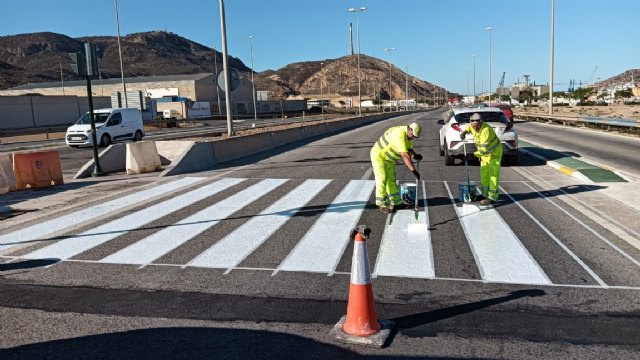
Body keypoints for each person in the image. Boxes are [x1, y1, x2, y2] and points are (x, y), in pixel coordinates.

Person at [370, 122, 423, 214]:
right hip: (379, 156)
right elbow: (405, 155)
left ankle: (396, 202)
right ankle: (381, 204)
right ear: (409, 129)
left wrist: (415, 155)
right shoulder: (399, 134)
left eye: (414, 137)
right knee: (382, 178)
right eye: (412, 136)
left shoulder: (408, 136)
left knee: (391, 180)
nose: (412, 138)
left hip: (389, 159)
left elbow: (408, 149)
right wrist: (413, 171)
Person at [460, 112, 502, 207]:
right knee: (484, 173)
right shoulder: (472, 126)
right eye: (473, 124)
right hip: (485, 154)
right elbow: (469, 128)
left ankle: (492, 197)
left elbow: (484, 149)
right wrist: (465, 132)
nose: (475, 127)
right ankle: (485, 194)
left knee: (493, 175)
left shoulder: (485, 130)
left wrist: (473, 156)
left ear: (481, 122)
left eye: (477, 125)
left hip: (494, 152)